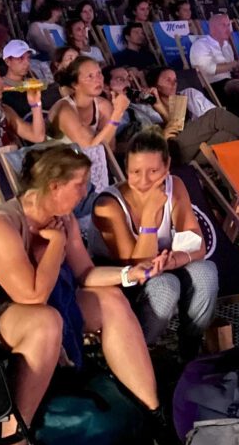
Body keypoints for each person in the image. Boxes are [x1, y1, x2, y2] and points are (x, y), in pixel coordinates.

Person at [0, 144, 181, 445]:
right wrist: (55, 244)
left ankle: (152, 411)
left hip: (40, 308)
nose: (87, 191)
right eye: (80, 184)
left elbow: (84, 273)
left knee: (110, 300)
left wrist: (130, 274)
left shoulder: (62, 217)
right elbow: (31, 295)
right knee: (46, 321)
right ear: (54, 187)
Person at [92, 130, 218, 359]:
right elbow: (137, 268)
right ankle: (134, 356)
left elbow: (197, 244)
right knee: (166, 286)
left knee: (206, 272)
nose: (143, 181)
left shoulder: (175, 185)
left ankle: (189, 352)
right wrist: (149, 217)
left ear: (167, 165)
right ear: (125, 168)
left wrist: (174, 260)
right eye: (135, 172)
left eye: (153, 172)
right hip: (123, 282)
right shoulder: (108, 205)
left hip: (160, 268)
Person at [49, 57, 126, 197]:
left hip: (91, 169)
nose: (98, 80)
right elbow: (90, 149)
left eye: (99, 74)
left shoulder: (103, 106)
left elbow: (109, 148)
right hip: (62, 171)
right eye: (90, 76)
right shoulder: (64, 109)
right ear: (75, 84)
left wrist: (114, 116)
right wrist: (117, 115)